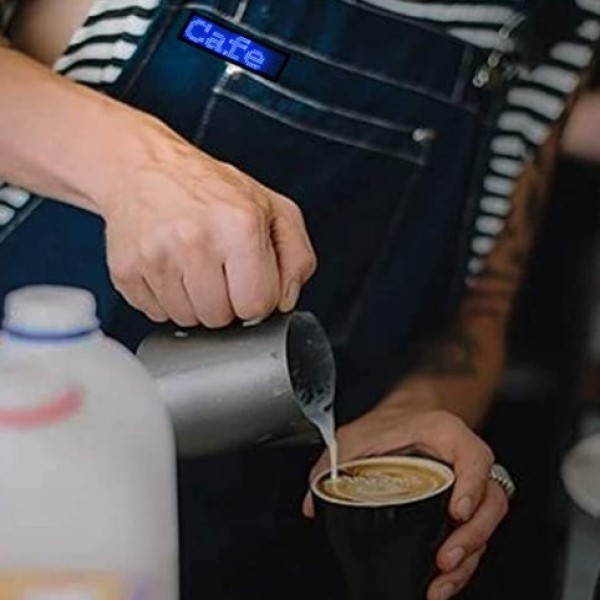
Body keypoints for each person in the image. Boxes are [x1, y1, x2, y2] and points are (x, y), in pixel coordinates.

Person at [0, 1, 597, 599]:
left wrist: (417, 407)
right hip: (32, 475)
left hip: (293, 522)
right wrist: (136, 167)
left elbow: (484, 308)